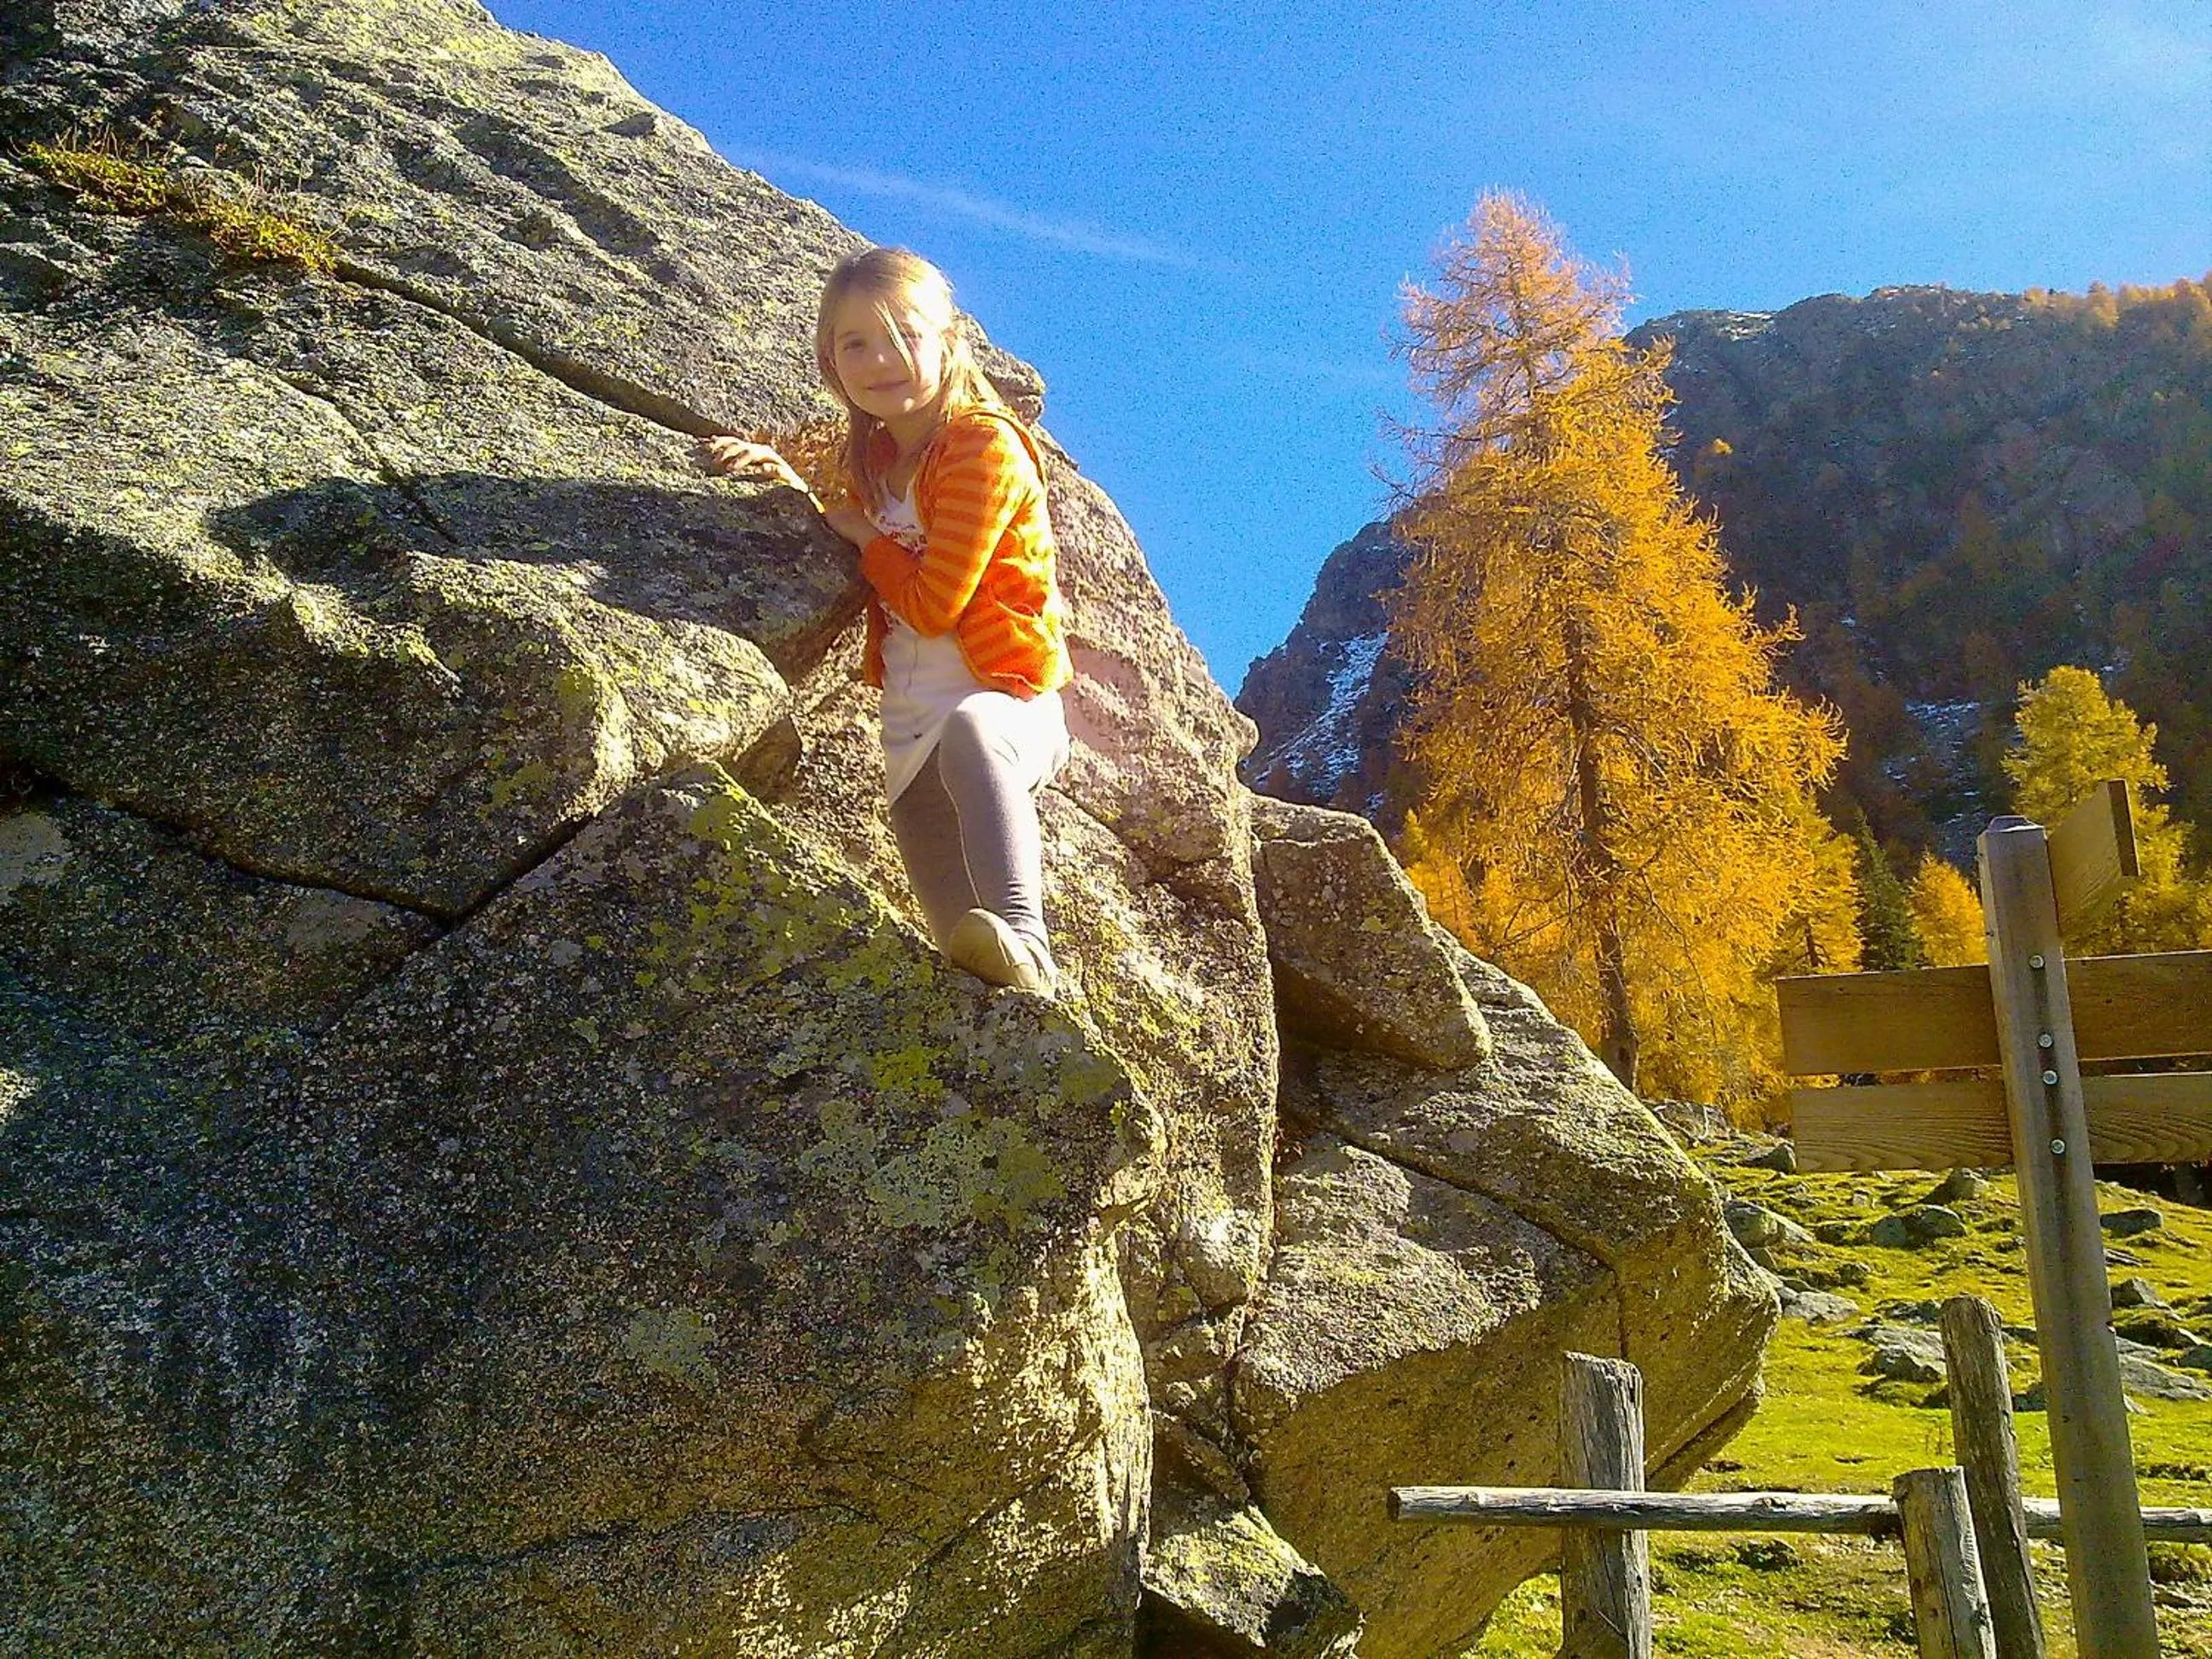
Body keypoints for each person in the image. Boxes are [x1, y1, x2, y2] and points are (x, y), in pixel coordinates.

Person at [701, 247, 1072, 995]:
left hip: (1005, 706)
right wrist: (786, 484)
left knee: (974, 737)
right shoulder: (870, 458)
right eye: (855, 343)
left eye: (904, 335)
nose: (880, 359)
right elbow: (844, 517)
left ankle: (1032, 938)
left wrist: (865, 537)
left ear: (949, 341)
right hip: (909, 733)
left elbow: (933, 603)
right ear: (830, 362)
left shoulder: (983, 446)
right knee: (969, 970)